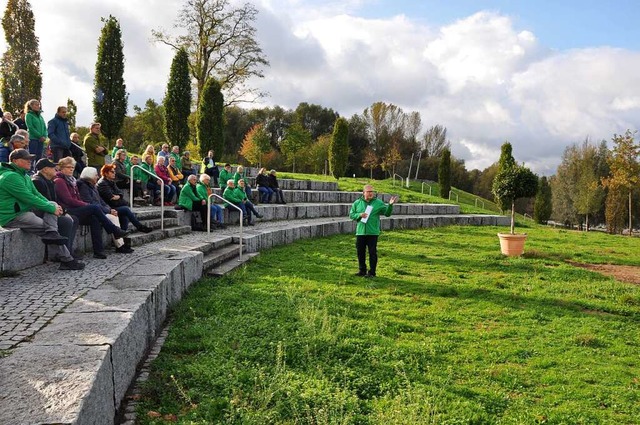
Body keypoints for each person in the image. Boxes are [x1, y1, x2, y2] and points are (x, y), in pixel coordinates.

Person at [0, 149, 84, 270]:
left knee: (51, 210)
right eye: (27, 159)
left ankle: (54, 236)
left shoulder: (23, 175)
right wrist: (51, 207)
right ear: (15, 161)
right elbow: (29, 198)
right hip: (13, 216)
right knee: (47, 228)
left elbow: (37, 195)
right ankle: (67, 260)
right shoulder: (10, 177)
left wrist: (53, 206)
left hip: (24, 211)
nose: (30, 161)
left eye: (30, 159)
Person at [54, 157, 130, 259]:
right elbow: (68, 200)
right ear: (61, 168)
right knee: (94, 208)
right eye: (68, 167)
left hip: (75, 208)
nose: (71, 169)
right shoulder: (60, 181)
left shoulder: (72, 181)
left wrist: (86, 205)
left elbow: (79, 198)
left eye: (72, 167)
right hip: (67, 209)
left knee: (95, 218)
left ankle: (98, 251)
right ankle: (114, 230)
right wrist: (86, 205)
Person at [77, 167, 133, 254]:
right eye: (95, 175)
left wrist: (110, 209)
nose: (97, 177)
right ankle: (120, 241)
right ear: (89, 176)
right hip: (92, 211)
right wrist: (108, 210)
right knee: (118, 214)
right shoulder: (83, 186)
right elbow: (90, 202)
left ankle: (120, 245)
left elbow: (101, 201)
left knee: (116, 216)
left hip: (100, 210)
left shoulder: (92, 186)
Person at [32, 158, 80, 259]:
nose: (56, 168)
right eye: (52, 167)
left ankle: (68, 251)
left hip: (51, 209)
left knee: (73, 219)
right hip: (42, 212)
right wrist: (59, 210)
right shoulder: (38, 181)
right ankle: (60, 255)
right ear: (45, 170)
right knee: (66, 221)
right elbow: (43, 203)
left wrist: (61, 209)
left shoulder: (49, 181)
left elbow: (53, 200)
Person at [349, 185, 397, 277]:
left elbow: (387, 214)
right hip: (360, 232)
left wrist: (390, 205)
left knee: (372, 253)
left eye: (372, 191)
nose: (371, 193)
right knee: (360, 252)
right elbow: (351, 215)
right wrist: (359, 215)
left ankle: (372, 272)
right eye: (368, 191)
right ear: (364, 193)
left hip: (373, 233)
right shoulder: (357, 203)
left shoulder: (378, 203)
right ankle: (362, 270)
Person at [97, 163, 153, 233]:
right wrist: (117, 196)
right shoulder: (102, 183)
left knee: (124, 213)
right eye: (112, 172)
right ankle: (140, 227)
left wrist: (118, 196)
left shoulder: (111, 181)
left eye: (114, 171)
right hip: (109, 207)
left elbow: (120, 193)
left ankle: (123, 233)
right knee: (126, 209)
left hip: (116, 205)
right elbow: (111, 197)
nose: (114, 173)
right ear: (105, 173)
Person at [25, 99, 47, 170]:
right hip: (33, 139)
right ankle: (30, 170)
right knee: (32, 155)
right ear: (31, 106)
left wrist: (44, 136)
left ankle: (37, 170)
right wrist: (39, 136)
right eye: (36, 105)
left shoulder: (40, 117)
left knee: (39, 156)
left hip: (41, 140)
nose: (38, 106)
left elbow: (44, 127)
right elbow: (30, 127)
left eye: (39, 105)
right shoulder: (28, 115)